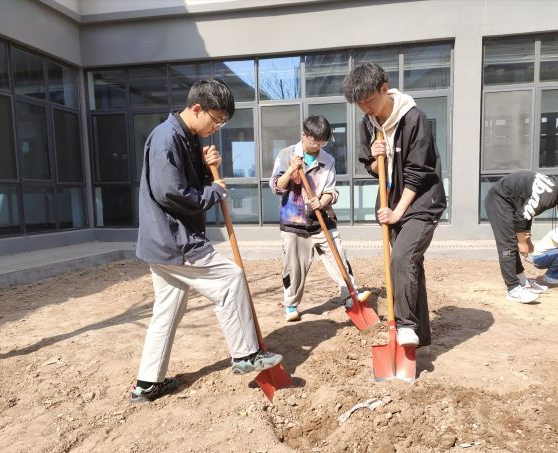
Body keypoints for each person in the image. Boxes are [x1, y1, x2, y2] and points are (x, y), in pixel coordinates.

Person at [132, 79, 283, 403]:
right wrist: (214, 191)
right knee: (230, 279)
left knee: (168, 309)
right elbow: (169, 192)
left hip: (161, 242)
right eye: (215, 120)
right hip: (173, 239)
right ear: (196, 108)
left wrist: (205, 167)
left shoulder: (185, 137)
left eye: (222, 123)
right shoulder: (166, 138)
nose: (216, 127)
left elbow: (185, 181)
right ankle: (246, 356)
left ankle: (147, 383)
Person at [343, 63, 447, 348]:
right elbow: (373, 168)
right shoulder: (368, 124)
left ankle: (404, 326)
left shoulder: (413, 118)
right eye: (360, 104)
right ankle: (421, 335)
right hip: (391, 203)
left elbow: (419, 172)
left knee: (401, 258)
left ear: (384, 89)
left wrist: (398, 212)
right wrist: (378, 159)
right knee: (411, 266)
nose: (366, 108)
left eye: (369, 101)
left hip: (422, 202)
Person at [269, 115, 371, 322]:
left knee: (338, 257)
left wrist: (322, 201)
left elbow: (331, 191)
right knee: (294, 266)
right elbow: (276, 187)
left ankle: (350, 296)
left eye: (322, 141)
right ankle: (291, 304)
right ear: (304, 135)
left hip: (322, 218)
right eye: (314, 140)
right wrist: (291, 169)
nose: (317, 145)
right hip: (294, 222)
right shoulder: (286, 154)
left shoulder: (328, 160)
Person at [484, 171, 558, 303]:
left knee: (513, 243)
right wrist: (522, 241)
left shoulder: (554, 190)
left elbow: (528, 213)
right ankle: (513, 290)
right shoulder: (549, 195)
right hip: (499, 200)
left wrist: (527, 237)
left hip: (513, 203)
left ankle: (523, 283)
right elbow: (522, 216)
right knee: (508, 245)